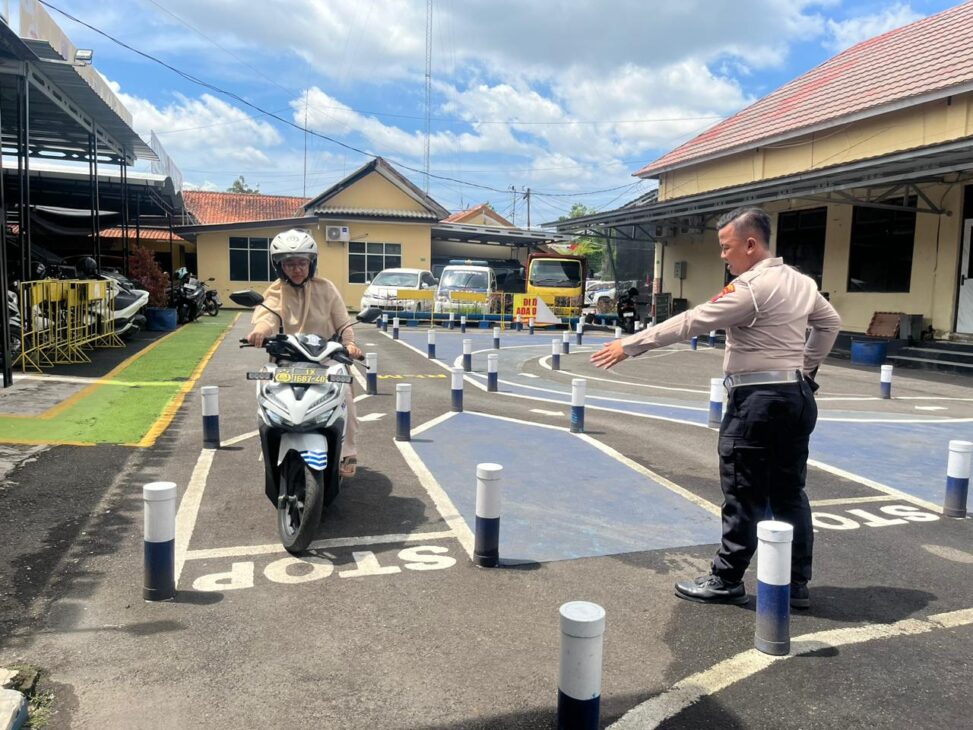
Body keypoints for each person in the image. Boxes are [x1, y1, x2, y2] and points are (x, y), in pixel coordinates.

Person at [590, 207, 840, 608]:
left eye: (727, 248)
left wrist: (630, 345)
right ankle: (795, 584)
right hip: (795, 398)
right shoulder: (802, 282)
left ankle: (726, 578)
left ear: (751, 244)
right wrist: (805, 371)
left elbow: (692, 321)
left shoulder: (751, 288)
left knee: (744, 490)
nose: (724, 256)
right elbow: (829, 324)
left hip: (757, 403)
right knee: (790, 492)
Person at [246, 229, 363, 477]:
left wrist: (350, 344)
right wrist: (259, 330)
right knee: (266, 396)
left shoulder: (326, 288)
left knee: (347, 400)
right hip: (287, 361)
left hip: (325, 359)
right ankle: (272, 443)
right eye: (289, 263)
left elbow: (343, 323)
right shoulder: (275, 291)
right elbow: (268, 316)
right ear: (279, 266)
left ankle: (347, 452)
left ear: (312, 263)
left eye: (302, 262)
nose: (297, 269)